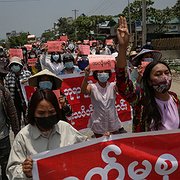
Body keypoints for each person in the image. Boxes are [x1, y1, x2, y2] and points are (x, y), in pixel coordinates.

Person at [115, 16, 180, 132]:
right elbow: (122, 83)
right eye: (158, 74)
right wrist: (123, 47)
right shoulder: (141, 100)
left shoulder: (174, 99)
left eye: (166, 73)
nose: (164, 77)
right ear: (149, 81)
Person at [6, 89, 88, 179]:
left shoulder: (65, 128)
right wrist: (25, 172)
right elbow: (12, 171)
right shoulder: (23, 137)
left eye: (51, 112)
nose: (46, 116)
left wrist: (104, 143)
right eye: (41, 113)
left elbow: (89, 148)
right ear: (33, 113)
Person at [81, 66, 127, 138]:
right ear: (96, 74)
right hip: (98, 123)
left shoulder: (113, 86)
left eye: (105, 71)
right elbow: (83, 91)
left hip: (113, 122)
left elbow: (123, 88)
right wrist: (86, 76)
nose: (103, 73)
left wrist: (120, 70)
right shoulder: (92, 87)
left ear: (109, 74)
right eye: (100, 72)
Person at [0, 65, 20, 180]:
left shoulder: (4, 92)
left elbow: (12, 113)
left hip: (3, 136)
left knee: (5, 165)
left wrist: (17, 132)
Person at [4, 56, 31, 127]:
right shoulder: (8, 76)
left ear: (20, 65)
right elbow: (6, 91)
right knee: (16, 121)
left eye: (16, 64)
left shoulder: (27, 74)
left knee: (28, 120)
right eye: (12, 65)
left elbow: (32, 88)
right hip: (15, 102)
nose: (14, 66)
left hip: (26, 102)